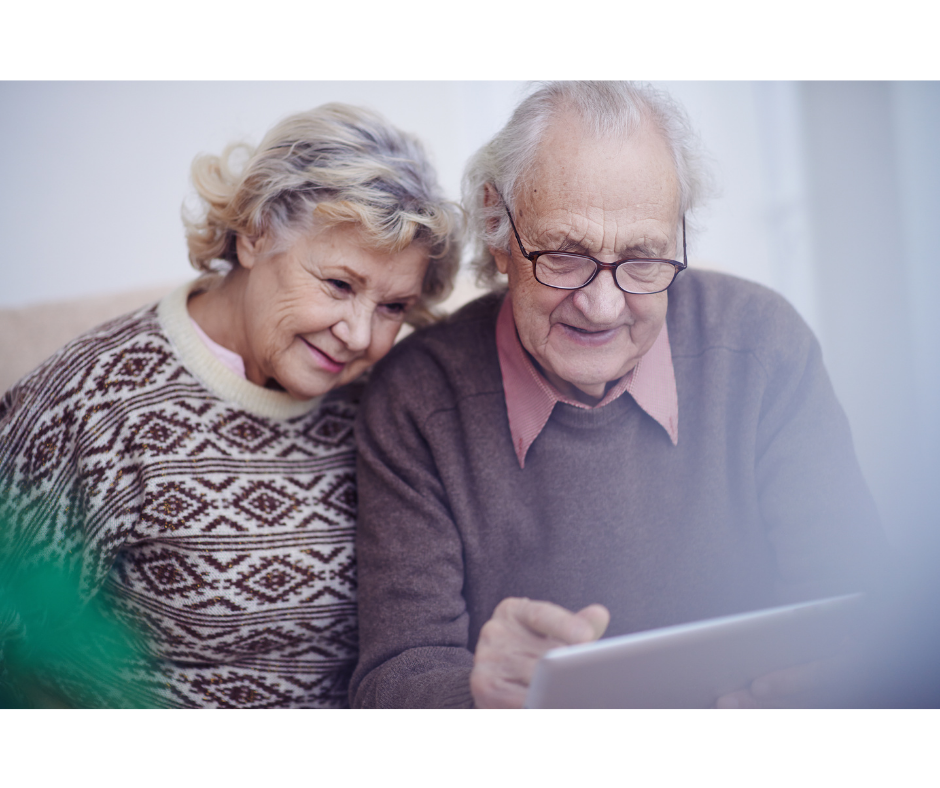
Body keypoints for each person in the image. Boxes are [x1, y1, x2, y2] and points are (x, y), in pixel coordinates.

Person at [350, 81, 887, 710]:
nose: (601, 306)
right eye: (565, 255)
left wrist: (840, 678)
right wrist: (476, 696)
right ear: (499, 229)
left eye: (642, 259)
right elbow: (393, 677)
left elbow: (859, 606)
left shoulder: (762, 347)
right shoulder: (417, 397)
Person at [0, 103, 461, 709]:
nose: (359, 334)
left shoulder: (384, 402)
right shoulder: (92, 402)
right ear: (254, 235)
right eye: (340, 285)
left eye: (393, 307)